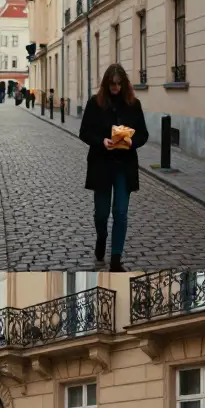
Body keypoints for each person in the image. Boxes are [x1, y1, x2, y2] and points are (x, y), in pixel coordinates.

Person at [79, 63, 149, 272]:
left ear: (124, 84)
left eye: (119, 84)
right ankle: (102, 237)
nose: (115, 88)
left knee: (120, 212)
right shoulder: (95, 103)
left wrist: (131, 143)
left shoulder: (133, 104)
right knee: (101, 213)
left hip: (124, 166)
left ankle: (116, 259)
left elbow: (143, 134)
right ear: (106, 84)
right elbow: (84, 132)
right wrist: (101, 141)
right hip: (101, 164)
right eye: (112, 84)